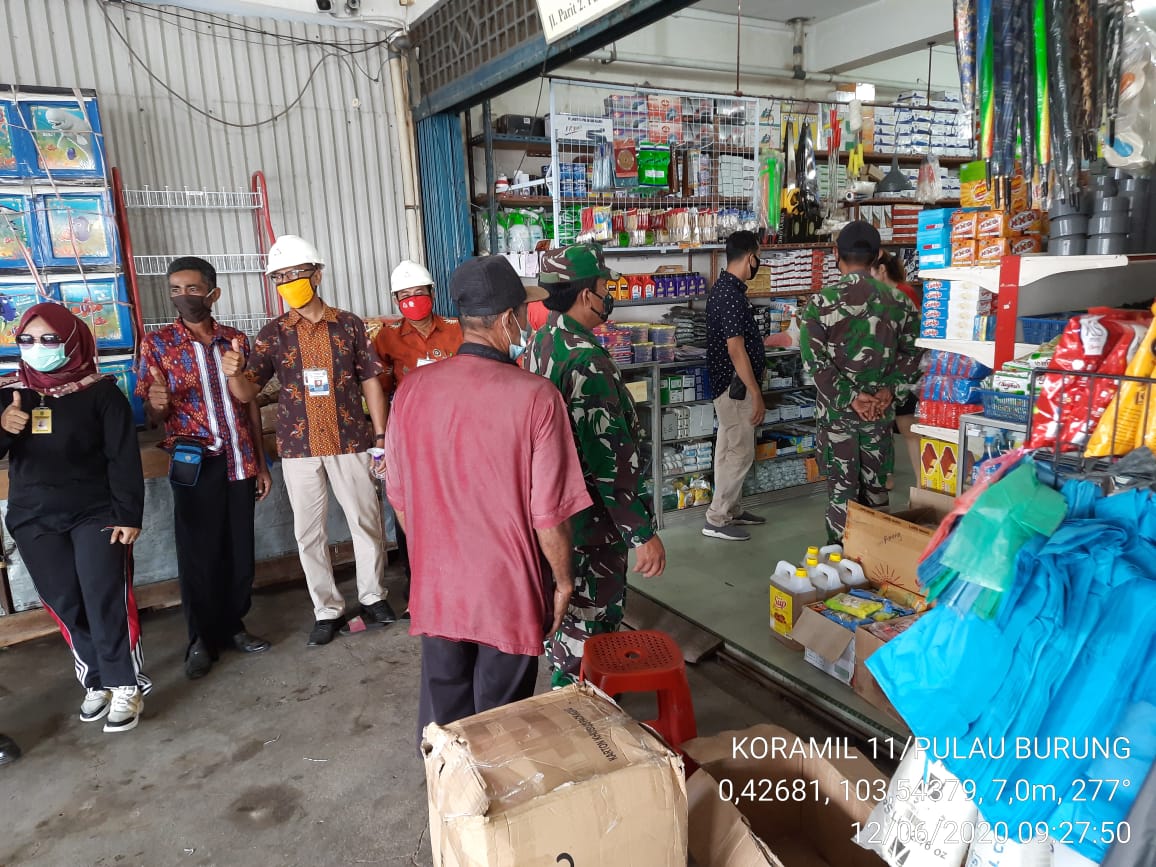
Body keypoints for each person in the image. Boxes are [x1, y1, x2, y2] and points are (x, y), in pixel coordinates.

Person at [384, 256, 591, 745]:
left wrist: (435, 556)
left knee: (445, 728)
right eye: (521, 314)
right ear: (506, 320)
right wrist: (562, 582)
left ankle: (452, 812)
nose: (524, 323)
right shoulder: (536, 397)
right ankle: (496, 814)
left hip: (438, 590)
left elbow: (399, 498)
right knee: (501, 732)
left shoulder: (411, 392)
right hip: (507, 591)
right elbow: (548, 516)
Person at [223, 235, 396, 646]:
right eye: (279, 277)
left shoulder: (349, 324)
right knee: (308, 533)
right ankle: (327, 609)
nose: (287, 282)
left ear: (317, 274)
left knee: (365, 522)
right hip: (299, 449)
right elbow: (248, 391)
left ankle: (373, 597)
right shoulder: (272, 334)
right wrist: (233, 372)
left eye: (295, 274)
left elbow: (370, 379)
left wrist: (380, 435)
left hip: (350, 438)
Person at [0, 304, 148, 733]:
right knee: (65, 601)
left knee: (104, 595)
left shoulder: (102, 392)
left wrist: (128, 514)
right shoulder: (12, 392)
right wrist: (5, 427)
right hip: (34, 517)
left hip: (96, 512)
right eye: (26, 340)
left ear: (71, 342)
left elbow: (123, 459)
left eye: (49, 340)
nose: (36, 349)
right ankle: (95, 680)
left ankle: (125, 682)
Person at [526, 243, 666, 688]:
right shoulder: (588, 361)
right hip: (592, 526)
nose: (609, 295)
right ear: (587, 294)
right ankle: (586, 726)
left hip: (553, 516)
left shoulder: (540, 343)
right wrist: (641, 533)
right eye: (606, 286)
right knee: (593, 629)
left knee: (564, 624)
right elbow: (610, 461)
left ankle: (572, 706)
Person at [137, 257, 272, 680]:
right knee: (198, 554)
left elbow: (248, 402)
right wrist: (156, 404)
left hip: (239, 460)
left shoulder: (235, 341)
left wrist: (262, 463)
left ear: (213, 293)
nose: (183, 297)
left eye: (192, 289)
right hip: (194, 465)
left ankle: (234, 626)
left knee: (239, 552)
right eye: (175, 289)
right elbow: (152, 412)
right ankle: (201, 638)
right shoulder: (156, 344)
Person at [801, 221, 922, 543]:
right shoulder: (901, 303)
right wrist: (889, 392)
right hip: (879, 417)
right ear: (878, 255)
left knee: (842, 494)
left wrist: (850, 397)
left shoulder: (821, 303)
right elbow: (913, 355)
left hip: (837, 418)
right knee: (877, 493)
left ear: (836, 253)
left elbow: (816, 364)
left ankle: (840, 566)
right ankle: (877, 566)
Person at [373, 260, 463, 618]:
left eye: (418, 293)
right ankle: (419, 590)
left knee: (456, 510)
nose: (412, 300)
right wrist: (381, 438)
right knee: (409, 512)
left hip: (455, 436)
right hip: (411, 440)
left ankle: (458, 583)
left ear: (432, 294)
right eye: (404, 296)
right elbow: (379, 390)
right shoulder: (387, 337)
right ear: (396, 300)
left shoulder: (457, 331)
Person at [702, 230, 768, 541]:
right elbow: (735, 348)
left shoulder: (728, 290)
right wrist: (755, 392)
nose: (758, 263)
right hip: (736, 388)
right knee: (740, 451)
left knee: (729, 448)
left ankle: (730, 510)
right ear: (750, 257)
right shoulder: (728, 295)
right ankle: (717, 517)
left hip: (730, 386)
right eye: (758, 257)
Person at [871, 250, 924, 486]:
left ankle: (924, 481)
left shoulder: (903, 293)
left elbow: (910, 337)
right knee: (886, 423)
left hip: (903, 372)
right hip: (888, 371)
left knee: (907, 426)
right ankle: (886, 475)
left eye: (871, 271)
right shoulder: (884, 294)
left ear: (881, 270)